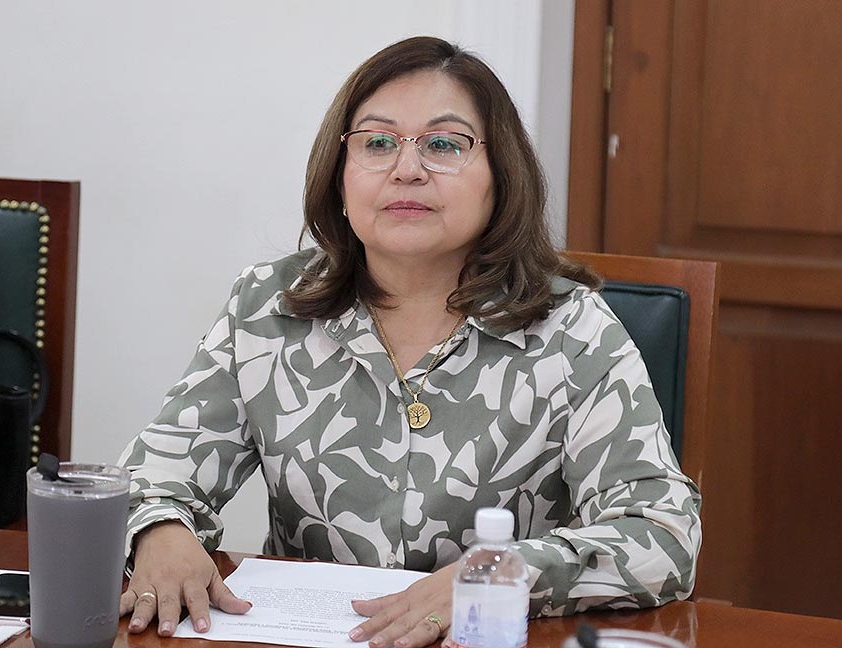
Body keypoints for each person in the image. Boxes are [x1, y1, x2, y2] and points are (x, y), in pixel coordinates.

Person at [117, 35, 701, 648]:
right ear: (340, 177)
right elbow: (149, 477)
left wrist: (498, 576)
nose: (407, 169)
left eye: (444, 144)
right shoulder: (270, 305)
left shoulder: (570, 327)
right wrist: (159, 531)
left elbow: (663, 534)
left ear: (501, 176)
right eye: (377, 143)